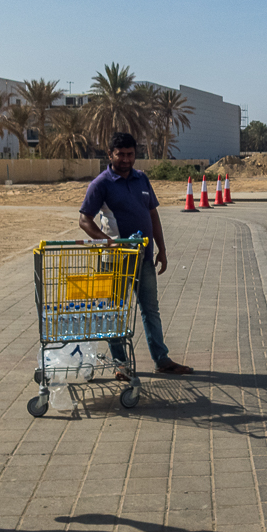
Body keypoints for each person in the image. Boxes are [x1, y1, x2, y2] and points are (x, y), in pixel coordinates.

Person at [78, 132, 192, 375]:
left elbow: (152, 214)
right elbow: (84, 220)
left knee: (151, 309)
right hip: (114, 261)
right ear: (110, 154)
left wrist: (161, 249)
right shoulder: (101, 184)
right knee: (115, 310)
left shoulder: (142, 179)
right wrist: (106, 241)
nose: (126, 159)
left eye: (130, 154)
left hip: (144, 258)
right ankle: (121, 364)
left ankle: (162, 360)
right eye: (121, 154)